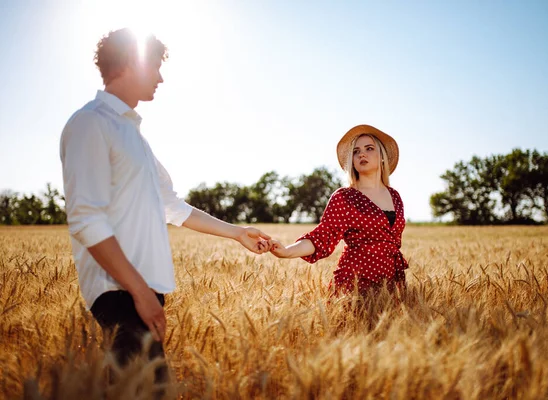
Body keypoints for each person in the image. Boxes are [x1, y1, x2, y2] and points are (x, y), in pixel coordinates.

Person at [59, 28, 271, 382]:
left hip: (140, 291)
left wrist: (237, 234)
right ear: (130, 63)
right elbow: (85, 219)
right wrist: (139, 292)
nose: (160, 77)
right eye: (155, 66)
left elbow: (172, 206)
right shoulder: (91, 123)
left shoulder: (133, 136)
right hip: (121, 291)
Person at [269, 124, 408, 296]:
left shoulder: (395, 196)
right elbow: (323, 236)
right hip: (356, 284)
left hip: (392, 283)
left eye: (369, 148)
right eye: (356, 151)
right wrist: (288, 251)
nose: (362, 154)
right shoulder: (345, 197)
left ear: (382, 157)